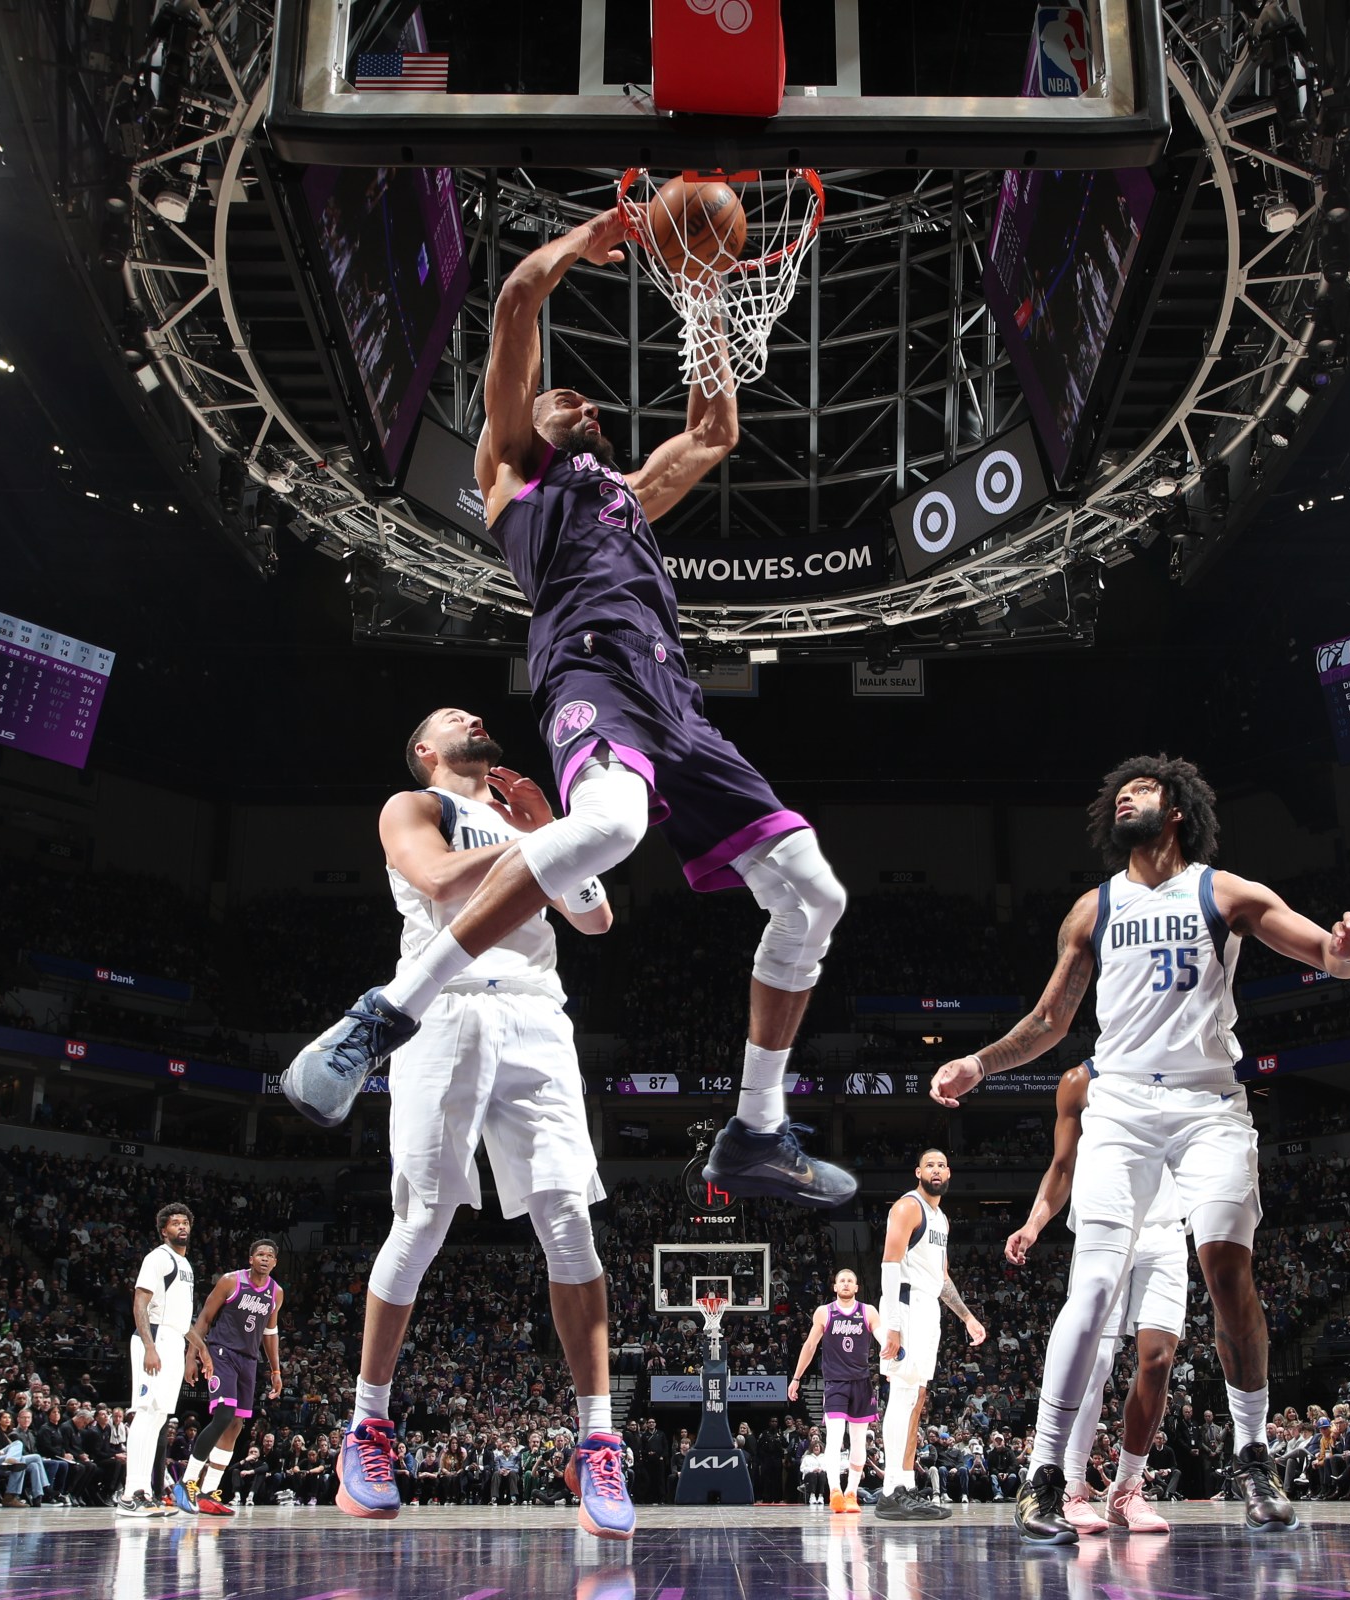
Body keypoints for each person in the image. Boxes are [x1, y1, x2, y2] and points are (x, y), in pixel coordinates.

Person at [281, 203, 855, 1216]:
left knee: (814, 894)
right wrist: (590, 241)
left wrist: (705, 294)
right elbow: (515, 300)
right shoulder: (514, 475)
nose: (576, 397)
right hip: (591, 672)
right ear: (516, 432)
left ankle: (755, 1131)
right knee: (614, 827)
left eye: (580, 398)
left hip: (676, 700)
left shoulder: (625, 492)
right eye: (558, 397)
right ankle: (384, 1014)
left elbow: (714, 431)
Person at [930, 753, 1350, 1541]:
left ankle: (1252, 1457)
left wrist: (1348, 949)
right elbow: (1049, 1021)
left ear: (1176, 810)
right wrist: (978, 1063)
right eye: (1119, 792)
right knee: (1095, 1285)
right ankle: (1044, 1477)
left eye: (1141, 789)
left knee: (1228, 1271)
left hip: (1209, 1104)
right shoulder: (1094, 907)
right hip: (1123, 1104)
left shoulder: (1223, 891)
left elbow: (1325, 957)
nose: (1124, 797)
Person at [327, 715, 631, 1541]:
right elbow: (438, 881)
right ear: (425, 750)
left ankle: (598, 1441)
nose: (473, 717)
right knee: (423, 1217)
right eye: (449, 717)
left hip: (537, 1012)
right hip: (445, 1006)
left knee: (569, 1221)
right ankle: (368, 1425)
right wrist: (549, 842)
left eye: (476, 713)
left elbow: (595, 920)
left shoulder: (526, 821)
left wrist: (553, 832)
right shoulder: (414, 806)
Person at [1004, 1060, 1188, 1536]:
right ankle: (1070, 1486)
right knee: (1097, 1359)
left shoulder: (1183, 1067)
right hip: (1105, 1218)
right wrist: (1034, 1224)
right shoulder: (1080, 1081)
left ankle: (1126, 1489)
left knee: (1159, 1360)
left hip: (1166, 1225)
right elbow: (1062, 1166)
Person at [872, 1151, 986, 1522]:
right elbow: (889, 1264)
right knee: (902, 1395)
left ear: (948, 1173)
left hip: (927, 1309)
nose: (936, 1170)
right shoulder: (908, 1207)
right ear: (918, 1172)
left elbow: (942, 1278)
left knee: (917, 1398)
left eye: (942, 1165)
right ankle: (891, 1490)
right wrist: (892, 1324)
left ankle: (905, 1485)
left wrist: (967, 1317)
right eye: (930, 1165)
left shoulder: (941, 1219)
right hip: (904, 1308)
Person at [175, 1239, 284, 1517]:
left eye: (270, 1255)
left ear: (275, 1262)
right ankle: (186, 1482)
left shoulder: (276, 1292)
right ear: (250, 1258)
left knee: (236, 1425)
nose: (265, 1258)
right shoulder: (230, 1281)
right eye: (260, 1254)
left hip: (249, 1360)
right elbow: (204, 1319)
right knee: (223, 1415)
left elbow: (270, 1333)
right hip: (221, 1352)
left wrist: (275, 1371)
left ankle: (208, 1492)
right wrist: (191, 1356)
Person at [115, 1202, 194, 1517]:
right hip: (155, 1337)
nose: (181, 1226)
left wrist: (200, 1349)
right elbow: (140, 1303)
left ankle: (146, 1493)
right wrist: (149, 1346)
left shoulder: (185, 1264)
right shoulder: (157, 1257)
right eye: (175, 1223)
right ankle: (130, 1494)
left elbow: (182, 1319)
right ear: (164, 1230)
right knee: (146, 1413)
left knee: (160, 1417)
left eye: (185, 1222)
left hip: (174, 1339)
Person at [788, 1268, 877, 1514]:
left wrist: (891, 1361)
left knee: (858, 1442)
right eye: (842, 1281)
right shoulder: (824, 1312)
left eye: (850, 1281)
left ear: (856, 1287)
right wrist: (796, 1377)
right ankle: (835, 1491)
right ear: (835, 1287)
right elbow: (810, 1345)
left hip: (862, 1383)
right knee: (835, 1437)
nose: (846, 1284)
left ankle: (852, 1493)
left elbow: (881, 1336)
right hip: (835, 1383)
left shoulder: (868, 1311)